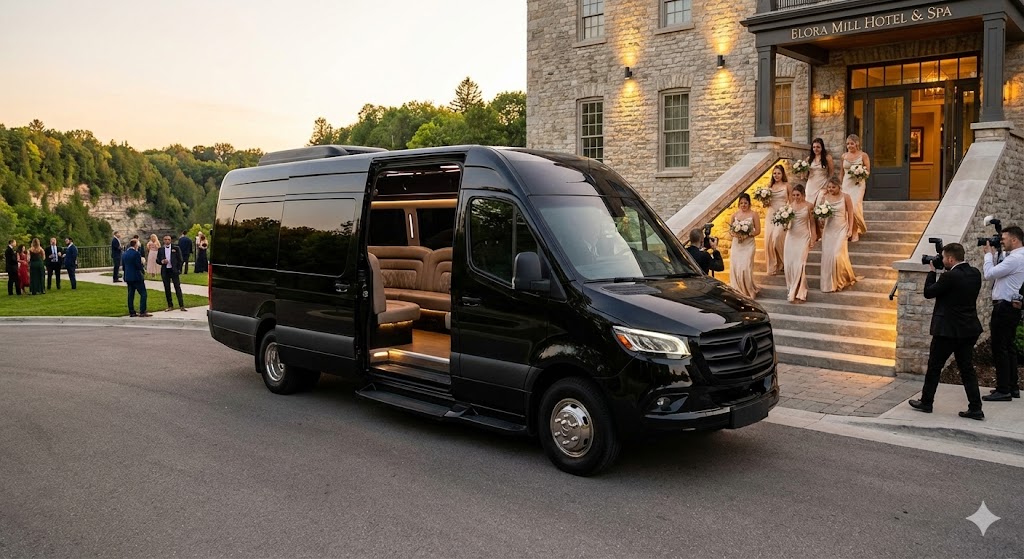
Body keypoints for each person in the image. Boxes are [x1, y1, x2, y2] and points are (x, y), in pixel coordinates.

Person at [908, 243, 985, 420]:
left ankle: (926, 402)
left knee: (935, 367)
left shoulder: (950, 277)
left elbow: (928, 293)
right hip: (969, 329)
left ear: (950, 258)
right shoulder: (974, 273)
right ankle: (976, 408)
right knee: (967, 369)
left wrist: (932, 271)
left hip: (947, 331)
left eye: (944, 258)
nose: (942, 260)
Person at [981, 225, 1024, 401]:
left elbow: (989, 274)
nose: (1002, 242)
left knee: (1000, 348)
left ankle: (1003, 389)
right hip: (1010, 307)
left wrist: (987, 255)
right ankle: (1012, 387)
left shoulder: (1015, 259)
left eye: (1004, 239)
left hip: (1004, 308)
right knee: (1009, 347)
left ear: (1014, 239)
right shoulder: (1017, 257)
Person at [818, 177, 857, 293]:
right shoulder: (824, 198)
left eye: (833, 187)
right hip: (828, 230)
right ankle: (829, 284)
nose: (830, 189)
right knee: (828, 256)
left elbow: (851, 214)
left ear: (839, 186)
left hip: (841, 229)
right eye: (829, 187)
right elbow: (820, 214)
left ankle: (840, 281)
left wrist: (850, 229)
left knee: (837, 255)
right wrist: (821, 219)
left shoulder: (846, 197)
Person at [783, 184, 816, 304]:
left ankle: (800, 292)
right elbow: (785, 223)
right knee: (789, 264)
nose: (796, 197)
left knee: (800, 264)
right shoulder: (789, 206)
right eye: (794, 195)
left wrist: (813, 238)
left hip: (803, 237)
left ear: (803, 195)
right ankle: (792, 289)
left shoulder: (809, 206)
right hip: (790, 237)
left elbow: (812, 223)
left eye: (798, 195)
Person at [728, 193, 760, 299]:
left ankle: (749, 290)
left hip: (748, 244)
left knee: (746, 267)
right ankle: (738, 289)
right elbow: (730, 231)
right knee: (736, 267)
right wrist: (736, 235)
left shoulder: (754, 214)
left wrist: (747, 235)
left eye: (745, 203)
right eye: (741, 203)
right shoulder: (734, 215)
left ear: (749, 203)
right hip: (737, 245)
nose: (743, 205)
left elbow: (758, 231)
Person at [841, 134, 870, 242]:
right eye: (848, 143)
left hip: (858, 184)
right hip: (846, 184)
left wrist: (860, 174)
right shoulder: (844, 156)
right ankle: (849, 230)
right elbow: (841, 172)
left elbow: (867, 171)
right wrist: (840, 185)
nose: (849, 146)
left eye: (851, 143)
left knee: (855, 206)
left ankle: (855, 231)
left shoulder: (863, 155)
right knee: (847, 208)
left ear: (857, 143)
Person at [764, 165, 792, 276]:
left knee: (777, 237)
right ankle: (773, 266)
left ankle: (785, 262)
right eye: (774, 173)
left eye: (778, 173)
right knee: (769, 240)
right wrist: (764, 200)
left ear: (782, 174)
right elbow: (766, 204)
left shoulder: (787, 186)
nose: (776, 175)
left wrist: (788, 216)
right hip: (771, 213)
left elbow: (791, 202)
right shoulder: (769, 186)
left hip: (782, 213)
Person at [156, 234, 187, 312]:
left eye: (168, 239)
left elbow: (180, 259)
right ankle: (170, 305)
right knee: (167, 288)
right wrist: (161, 261)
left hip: (174, 271)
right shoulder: (161, 249)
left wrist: (178, 269)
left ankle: (181, 305)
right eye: (165, 239)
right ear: (163, 240)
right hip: (165, 270)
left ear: (170, 240)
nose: (167, 241)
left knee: (177, 287)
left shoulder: (176, 248)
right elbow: (157, 260)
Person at [122, 239, 151, 318]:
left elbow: (124, 267)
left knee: (130, 295)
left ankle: (132, 311)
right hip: (136, 277)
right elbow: (138, 266)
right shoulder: (136, 254)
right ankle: (142, 311)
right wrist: (143, 266)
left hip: (128, 276)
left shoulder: (124, 254)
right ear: (135, 245)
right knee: (143, 293)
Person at [804, 137, 834, 205]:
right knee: (809, 204)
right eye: (814, 147)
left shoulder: (828, 158)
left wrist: (828, 185)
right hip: (811, 184)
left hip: (823, 183)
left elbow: (831, 173)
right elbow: (806, 175)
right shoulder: (809, 159)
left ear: (822, 147)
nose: (815, 149)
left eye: (818, 147)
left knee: (819, 203)